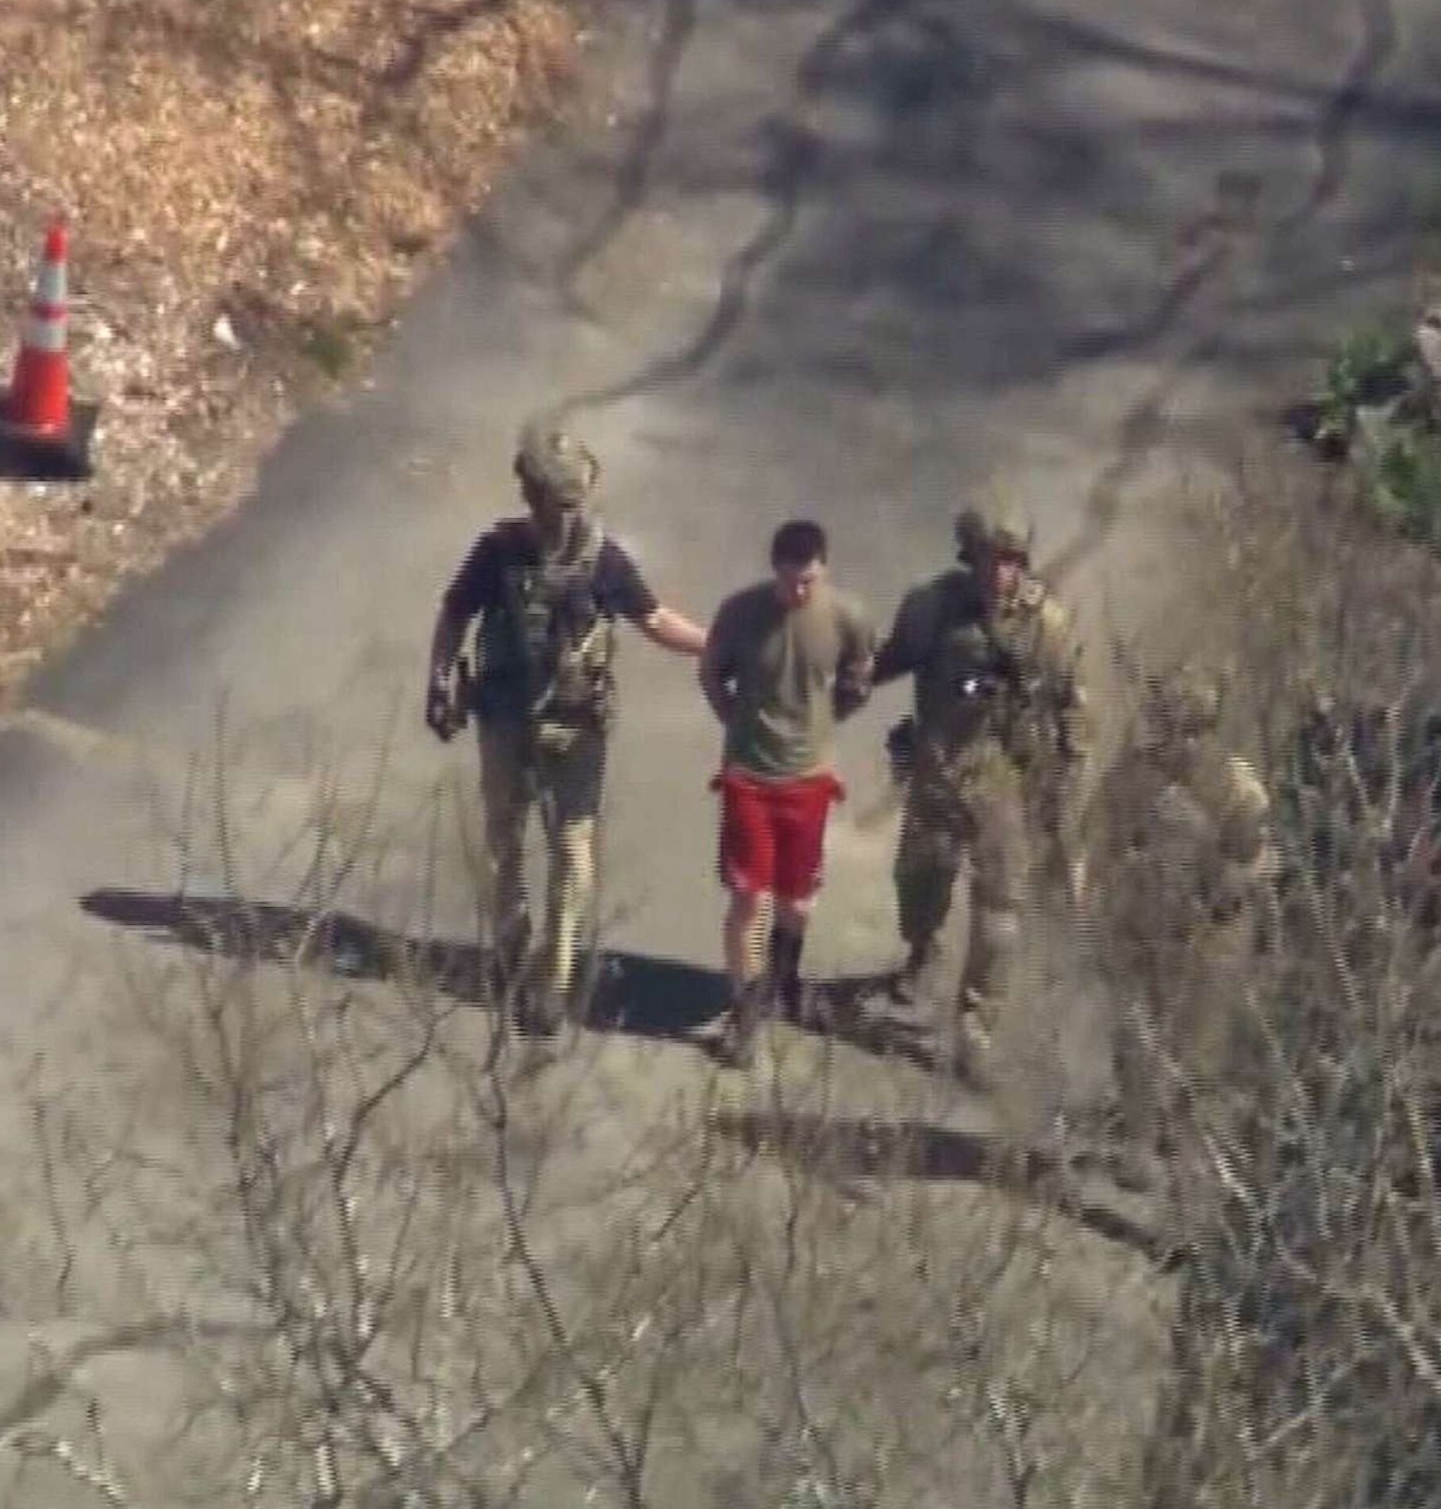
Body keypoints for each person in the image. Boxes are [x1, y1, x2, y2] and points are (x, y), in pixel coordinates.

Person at [424, 425, 706, 1051]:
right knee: (503, 840)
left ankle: (554, 974)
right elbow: (454, 613)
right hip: (502, 719)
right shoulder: (498, 552)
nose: (571, 509)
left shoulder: (602, 561)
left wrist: (719, 645)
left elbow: (653, 618)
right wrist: (440, 679)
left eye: (578, 496)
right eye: (559, 497)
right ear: (532, 495)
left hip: (575, 729)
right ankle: (510, 948)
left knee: (572, 851)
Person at [870, 488, 1093, 1086]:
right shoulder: (933, 607)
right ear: (969, 556)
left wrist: (1065, 787)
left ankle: (976, 1027)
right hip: (938, 769)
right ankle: (922, 952)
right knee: (917, 883)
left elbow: (1075, 708)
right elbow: (884, 661)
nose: (1003, 572)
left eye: (1013, 560)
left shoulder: (1049, 626)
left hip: (1006, 782)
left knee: (1000, 910)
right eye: (992, 558)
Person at [696, 518, 879, 1069]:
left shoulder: (848, 617)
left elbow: (860, 675)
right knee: (749, 896)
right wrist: (732, 718)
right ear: (774, 569)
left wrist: (829, 721)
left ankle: (785, 978)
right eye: (791, 582)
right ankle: (745, 1005)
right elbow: (709, 672)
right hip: (749, 774)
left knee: (798, 897)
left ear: (823, 571)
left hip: (809, 778)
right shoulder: (741, 613)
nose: (799, 592)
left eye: (810, 582)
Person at [1089, 670, 1278, 1192]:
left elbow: (1259, 860)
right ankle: (1140, 1140)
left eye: (1190, 729)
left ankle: (1187, 1166)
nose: (1178, 740)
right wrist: (1099, 900)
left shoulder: (1236, 785)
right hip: (1139, 923)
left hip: (1208, 935)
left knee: (1197, 1054)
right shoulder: (1131, 775)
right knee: (1133, 1032)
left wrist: (1226, 890)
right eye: (1168, 726)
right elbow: (1099, 842)